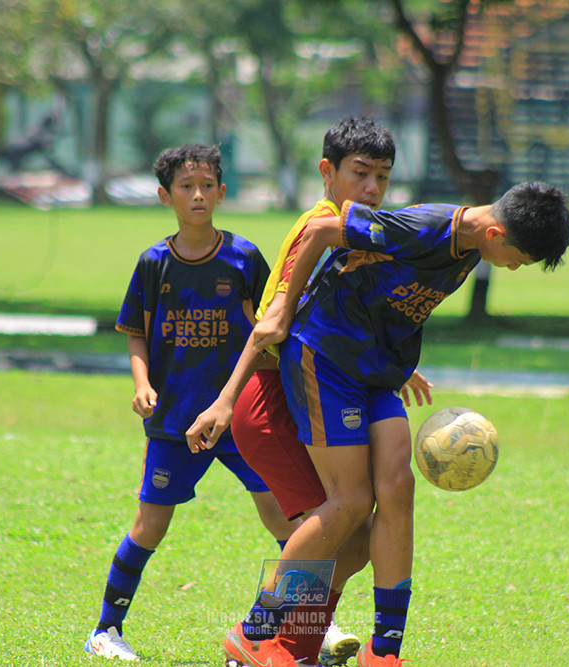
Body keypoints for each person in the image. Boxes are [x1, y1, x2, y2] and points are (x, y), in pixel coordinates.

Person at [199, 181, 569, 667]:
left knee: (398, 485)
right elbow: (318, 231)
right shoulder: (426, 227)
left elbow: (390, 291)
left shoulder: (472, 246)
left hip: (376, 369)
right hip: (326, 356)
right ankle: (255, 631)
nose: (514, 267)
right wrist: (283, 311)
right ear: (497, 232)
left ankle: (383, 651)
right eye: (519, 259)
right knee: (352, 503)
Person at [188, 117, 432, 667]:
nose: (371, 188)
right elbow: (272, 323)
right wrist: (226, 400)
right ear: (328, 172)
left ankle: (290, 648)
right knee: (345, 523)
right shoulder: (319, 227)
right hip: (271, 398)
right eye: (359, 173)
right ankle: (255, 638)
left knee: (352, 541)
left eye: (383, 177)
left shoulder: (359, 230)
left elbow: (344, 315)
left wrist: (393, 366)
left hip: (311, 390)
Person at [84, 144, 295, 662]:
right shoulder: (154, 263)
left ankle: (307, 625)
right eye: (185, 186)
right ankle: (106, 630)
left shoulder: (244, 258)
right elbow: (136, 333)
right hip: (175, 420)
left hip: (241, 416)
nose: (197, 195)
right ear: (165, 196)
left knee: (288, 520)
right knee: (149, 526)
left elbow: (272, 324)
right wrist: (141, 384)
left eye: (206, 186)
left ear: (222, 193)